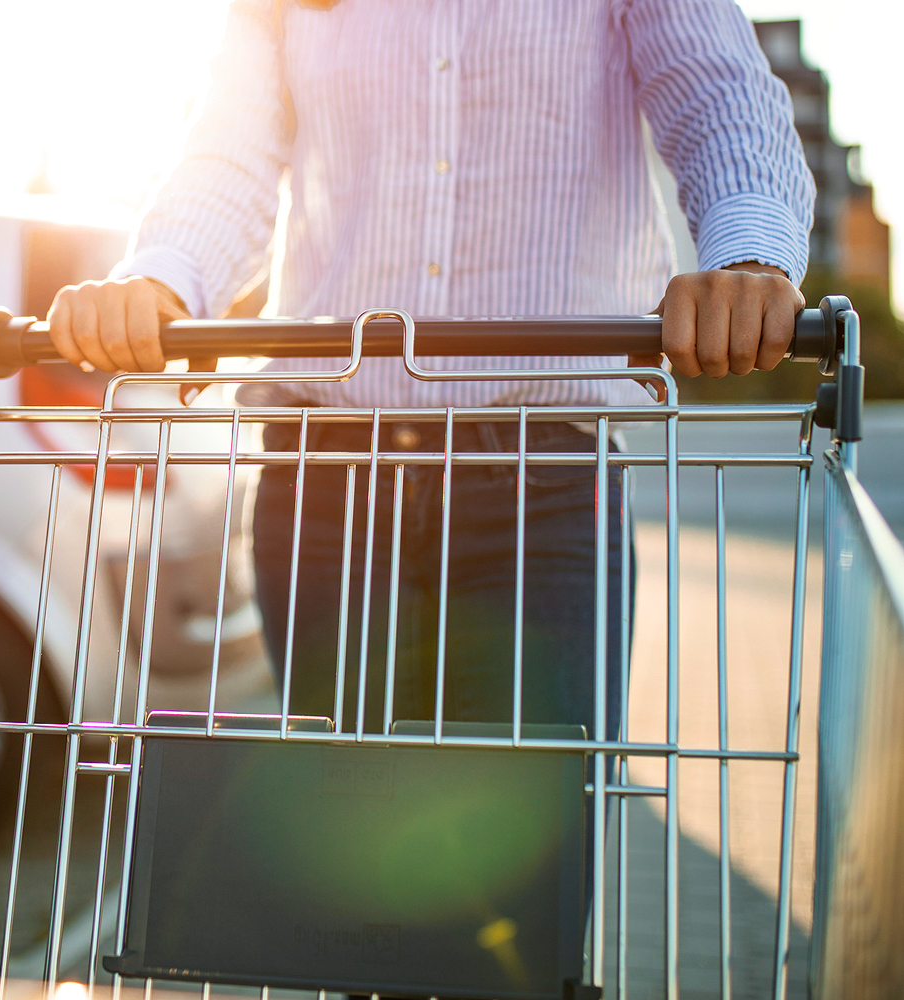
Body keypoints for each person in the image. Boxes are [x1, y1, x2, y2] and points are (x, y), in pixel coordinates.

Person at [45, 0, 812, 743]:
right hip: (324, 489)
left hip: (541, 491)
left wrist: (746, 257)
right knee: (336, 848)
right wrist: (162, 277)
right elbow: (230, 150)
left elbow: (715, 90)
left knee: (528, 857)